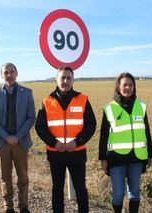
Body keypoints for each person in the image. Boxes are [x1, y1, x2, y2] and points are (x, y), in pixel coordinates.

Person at [35, 65, 96, 213]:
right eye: (63, 77)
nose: (66, 81)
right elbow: (40, 127)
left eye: (69, 78)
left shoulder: (82, 99)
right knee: (57, 188)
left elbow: (91, 124)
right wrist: (54, 143)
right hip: (56, 153)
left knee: (81, 187)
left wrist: (77, 142)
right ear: (56, 79)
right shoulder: (47, 101)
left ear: (73, 80)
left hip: (77, 152)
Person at [99, 72, 152, 213]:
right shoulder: (109, 108)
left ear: (134, 87)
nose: (127, 87)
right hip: (116, 158)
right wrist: (103, 158)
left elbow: (146, 132)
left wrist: (150, 154)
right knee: (118, 194)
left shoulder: (141, 106)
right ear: (118, 86)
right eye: (124, 85)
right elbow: (103, 135)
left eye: (130, 84)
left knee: (135, 192)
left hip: (137, 157)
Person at [0, 63, 36, 213]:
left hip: (20, 142)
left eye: (11, 72)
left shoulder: (27, 93)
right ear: (1, 75)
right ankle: (8, 206)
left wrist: (17, 136)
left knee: (23, 176)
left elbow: (31, 117)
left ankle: (23, 206)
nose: (9, 75)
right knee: (5, 176)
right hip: (2, 143)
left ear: (17, 73)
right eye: (6, 72)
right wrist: (6, 136)